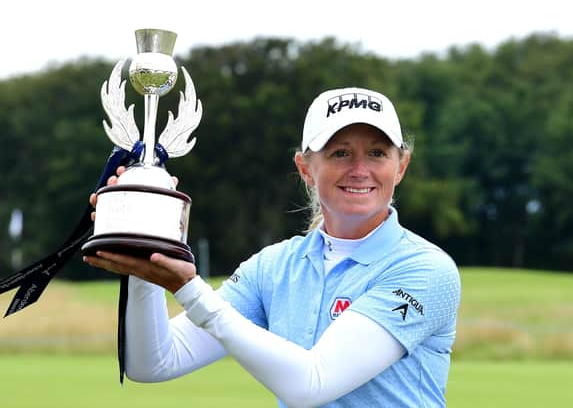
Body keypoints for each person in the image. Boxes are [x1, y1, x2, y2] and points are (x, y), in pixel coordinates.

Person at [84, 87, 462, 407]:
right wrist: (146, 250)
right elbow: (153, 362)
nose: (360, 169)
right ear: (304, 167)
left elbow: (312, 383)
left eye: (378, 153)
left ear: (401, 167)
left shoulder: (426, 269)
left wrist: (190, 289)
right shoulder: (275, 266)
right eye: (340, 153)